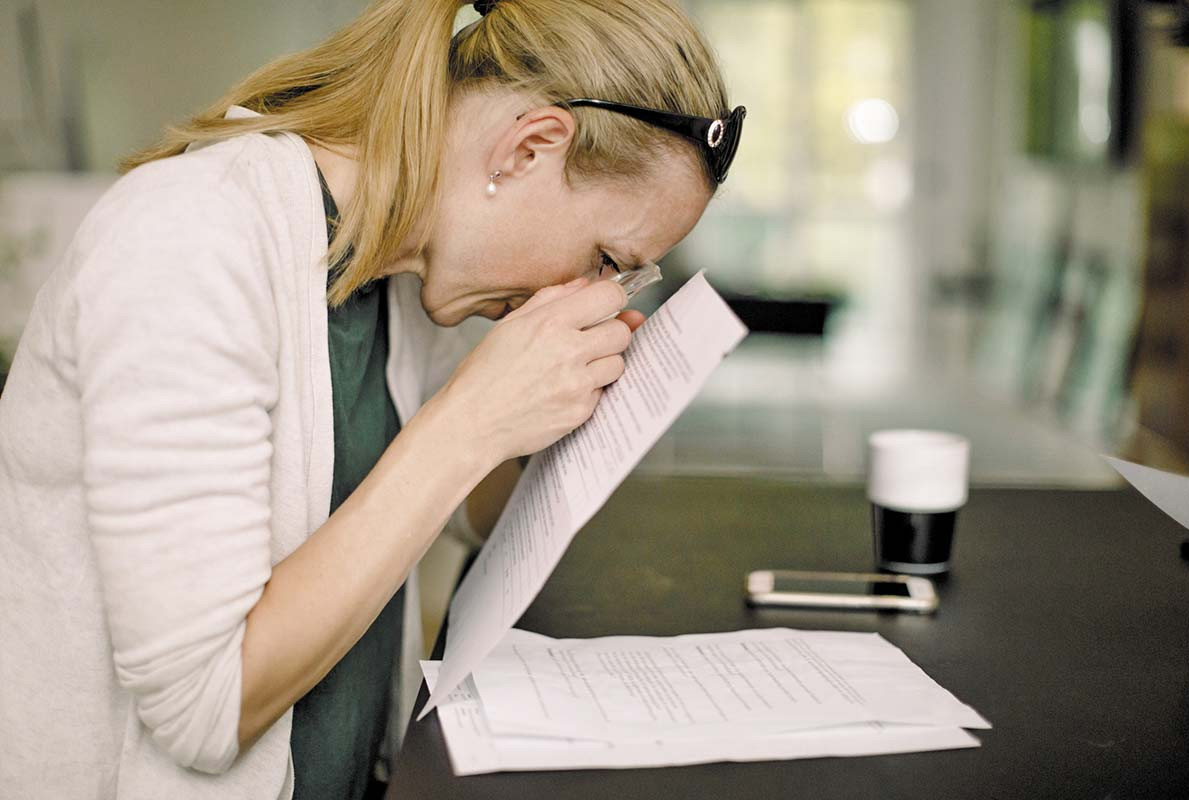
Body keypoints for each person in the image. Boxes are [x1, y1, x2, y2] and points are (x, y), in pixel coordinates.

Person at [0, 0, 743, 797]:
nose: (595, 291)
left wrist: (563, 421)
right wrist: (473, 418)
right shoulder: (190, 239)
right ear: (528, 148)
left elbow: (451, 508)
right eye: (604, 258)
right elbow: (204, 706)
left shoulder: (403, 268)